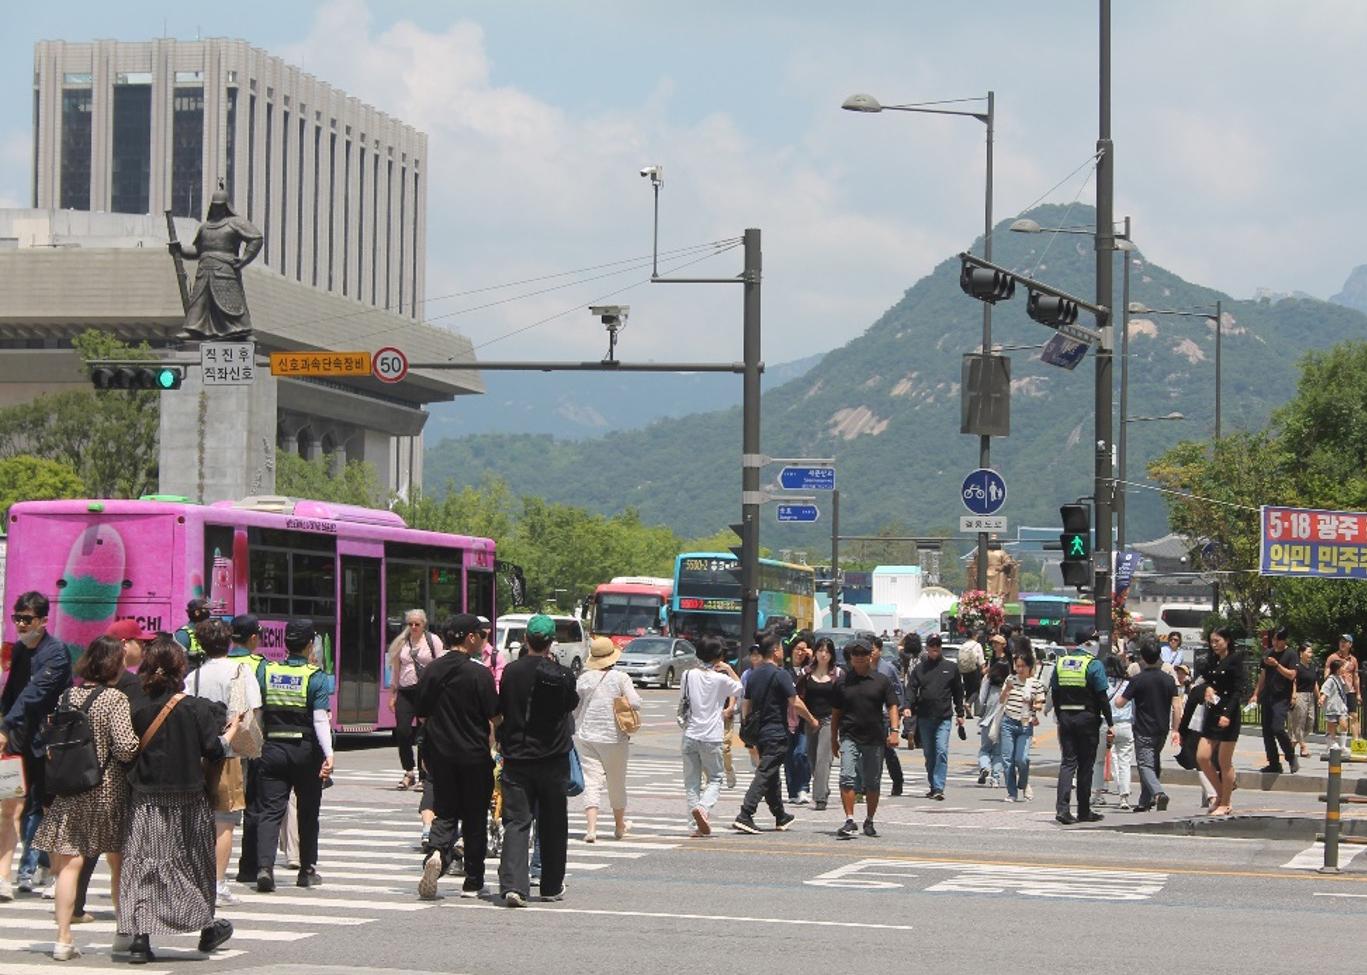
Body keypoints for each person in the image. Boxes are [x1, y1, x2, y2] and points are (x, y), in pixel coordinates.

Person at [120, 635, 236, 963]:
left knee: (143, 865)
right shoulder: (195, 708)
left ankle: (141, 938)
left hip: (144, 798)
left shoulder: (135, 705)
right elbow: (212, 750)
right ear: (179, 668)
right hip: (188, 799)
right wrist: (229, 735)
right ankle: (205, 927)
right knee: (193, 863)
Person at [34, 635, 140, 960]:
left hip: (70, 787)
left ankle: (63, 938)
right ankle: (123, 933)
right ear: (112, 664)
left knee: (69, 864)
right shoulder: (115, 699)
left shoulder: (68, 696)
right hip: (106, 789)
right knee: (119, 860)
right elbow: (125, 747)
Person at [414, 613, 500, 900]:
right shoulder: (479, 673)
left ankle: (436, 852)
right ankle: (473, 881)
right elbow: (495, 714)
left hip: (440, 754)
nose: (483, 641)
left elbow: (422, 713)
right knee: (475, 817)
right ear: (470, 637)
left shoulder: (432, 671)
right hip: (474, 755)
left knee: (445, 810)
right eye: (481, 635)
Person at [496, 614, 580, 907]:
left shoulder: (511, 671)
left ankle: (514, 886)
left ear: (527, 640)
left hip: (517, 758)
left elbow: (503, 705)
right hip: (553, 758)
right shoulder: (563, 675)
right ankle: (551, 884)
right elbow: (571, 706)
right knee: (554, 822)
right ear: (550, 642)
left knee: (517, 822)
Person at [253, 619, 333, 892]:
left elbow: (257, 710)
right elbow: (321, 719)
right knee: (308, 812)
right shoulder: (316, 677)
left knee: (270, 811)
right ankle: (307, 870)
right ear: (311, 644)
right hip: (305, 752)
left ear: (285, 643)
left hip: (272, 747)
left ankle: (264, 867)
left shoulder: (267, 670)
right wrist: (329, 755)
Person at [0, 591, 72, 895]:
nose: (21, 625)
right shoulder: (19, 650)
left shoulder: (56, 653)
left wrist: (5, 725)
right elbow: (13, 693)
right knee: (8, 805)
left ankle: (53, 870)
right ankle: (4, 877)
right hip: (17, 739)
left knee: (48, 806)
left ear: (43, 621)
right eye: (17, 618)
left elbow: (34, 693)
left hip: (47, 740)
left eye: (27, 620)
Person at [187, 618, 262, 908]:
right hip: (229, 752)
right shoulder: (240, 670)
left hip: (198, 754)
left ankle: (199, 878)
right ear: (228, 641)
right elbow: (251, 711)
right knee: (225, 823)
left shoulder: (193, 676)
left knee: (200, 821)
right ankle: (217, 884)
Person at [732, 633, 818, 835]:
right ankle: (746, 813)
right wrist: (812, 720)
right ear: (776, 651)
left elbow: (747, 703)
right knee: (765, 772)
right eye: (781, 648)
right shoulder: (781, 674)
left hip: (760, 732)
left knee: (771, 774)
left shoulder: (753, 674)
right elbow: (795, 702)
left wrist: (746, 727)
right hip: (776, 731)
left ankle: (780, 815)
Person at [574, 636, 643, 842]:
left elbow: (575, 710)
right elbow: (634, 703)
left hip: (587, 736)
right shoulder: (621, 678)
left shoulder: (584, 679)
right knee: (616, 781)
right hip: (614, 737)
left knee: (591, 781)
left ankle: (591, 829)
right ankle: (619, 826)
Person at [831, 640, 900, 838]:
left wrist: (894, 731)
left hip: (875, 737)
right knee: (846, 776)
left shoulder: (881, 680)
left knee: (872, 782)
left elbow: (893, 706)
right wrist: (833, 739)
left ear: (871, 656)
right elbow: (836, 712)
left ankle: (869, 820)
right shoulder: (842, 682)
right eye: (855, 653)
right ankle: (850, 819)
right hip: (849, 735)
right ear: (850, 657)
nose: (859, 657)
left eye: (863, 653)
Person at [679, 637, 742, 835]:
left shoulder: (687, 675)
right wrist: (729, 669)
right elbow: (740, 688)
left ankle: (694, 825)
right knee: (715, 778)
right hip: (712, 735)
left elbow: (684, 699)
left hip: (690, 733)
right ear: (719, 657)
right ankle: (703, 808)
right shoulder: (721, 679)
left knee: (692, 782)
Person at [1113, 640, 1181, 813]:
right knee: (1152, 760)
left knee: (1145, 765)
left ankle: (1158, 794)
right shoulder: (1168, 679)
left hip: (1143, 728)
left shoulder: (1138, 680)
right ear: (1159, 656)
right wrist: (1176, 729)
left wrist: (1117, 697)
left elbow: (1120, 703)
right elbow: (1177, 707)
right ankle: (1145, 801)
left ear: (1142, 657)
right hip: (1162, 728)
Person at [1050, 642, 1114, 825]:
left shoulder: (1061, 662)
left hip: (1066, 718)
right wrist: (1110, 722)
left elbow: (1054, 692)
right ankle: (1084, 811)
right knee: (1086, 766)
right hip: (1087, 719)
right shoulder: (1093, 664)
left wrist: (1060, 714)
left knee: (1068, 762)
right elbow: (1102, 697)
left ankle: (1062, 809)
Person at [227, 614, 268, 887]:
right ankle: (248, 867)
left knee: (219, 807)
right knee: (254, 803)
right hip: (251, 743)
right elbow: (263, 704)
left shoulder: (217, 663)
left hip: (220, 742)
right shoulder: (259, 665)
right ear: (253, 637)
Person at [388, 609, 445, 791]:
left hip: (426, 692)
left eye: (417, 624)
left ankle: (424, 774)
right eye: (410, 624)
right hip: (405, 691)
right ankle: (408, 771)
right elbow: (396, 669)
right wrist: (393, 693)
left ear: (424, 624)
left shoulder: (433, 641)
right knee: (403, 732)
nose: (413, 627)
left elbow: (441, 664)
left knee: (423, 735)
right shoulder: (402, 643)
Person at [906, 634, 965, 801]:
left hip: (944, 717)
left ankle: (939, 787)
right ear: (927, 647)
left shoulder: (951, 667)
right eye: (932, 645)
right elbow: (911, 688)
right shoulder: (920, 668)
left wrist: (960, 713)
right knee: (929, 754)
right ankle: (933, 785)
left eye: (938, 644)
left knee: (941, 752)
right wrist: (908, 706)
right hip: (924, 717)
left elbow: (958, 692)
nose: (935, 648)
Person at [1196, 627, 1246, 816]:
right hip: (1212, 711)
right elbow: (1205, 680)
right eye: (1212, 641)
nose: (1214, 645)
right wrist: (1206, 688)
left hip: (1228, 713)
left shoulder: (1235, 660)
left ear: (1227, 640)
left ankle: (1226, 802)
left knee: (1224, 760)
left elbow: (1238, 690)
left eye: (1217, 641)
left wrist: (1227, 714)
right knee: (1202, 756)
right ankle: (1221, 793)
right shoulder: (1211, 660)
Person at [799, 638, 842, 811]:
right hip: (810, 720)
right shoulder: (806, 673)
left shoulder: (838, 674)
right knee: (811, 759)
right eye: (821, 650)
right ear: (815, 652)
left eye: (827, 651)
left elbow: (843, 699)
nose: (824, 654)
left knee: (823, 759)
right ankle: (823, 788)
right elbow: (797, 697)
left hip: (829, 721)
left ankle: (820, 798)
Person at [1249, 627, 1300, 773]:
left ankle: (1290, 756)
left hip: (1282, 697)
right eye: (1274, 639)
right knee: (1267, 731)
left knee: (1278, 728)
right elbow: (1263, 676)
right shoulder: (1268, 653)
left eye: (1279, 639)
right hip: (1267, 696)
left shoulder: (1291, 655)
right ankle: (1274, 763)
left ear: (1284, 640)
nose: (1276, 643)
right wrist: (1255, 694)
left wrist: (1277, 665)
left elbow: (1292, 675)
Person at [999, 652, 1045, 802]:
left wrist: (1032, 703)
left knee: (1022, 758)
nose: (1019, 669)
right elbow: (1001, 700)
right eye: (1017, 666)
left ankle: (1024, 782)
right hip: (1008, 721)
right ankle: (1012, 792)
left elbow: (1040, 704)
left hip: (1025, 724)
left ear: (1029, 667)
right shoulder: (1010, 679)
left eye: (1022, 666)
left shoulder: (1035, 683)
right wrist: (1007, 690)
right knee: (1007, 759)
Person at [1091, 654, 1135, 810]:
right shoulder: (1127, 683)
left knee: (1098, 760)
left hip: (1104, 724)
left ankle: (1097, 794)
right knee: (1124, 762)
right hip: (1125, 725)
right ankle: (1124, 797)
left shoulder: (1100, 683)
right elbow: (1133, 707)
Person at [869, 636, 906, 796]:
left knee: (887, 751)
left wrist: (898, 710)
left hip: (885, 715)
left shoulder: (888, 669)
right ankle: (868, 785)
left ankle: (897, 780)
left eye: (873, 650)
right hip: (867, 715)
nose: (870, 653)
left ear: (880, 650)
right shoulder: (861, 667)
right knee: (870, 751)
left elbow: (898, 689)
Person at [783, 632, 813, 805]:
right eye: (797, 649)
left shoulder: (809, 671)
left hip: (803, 720)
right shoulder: (784, 671)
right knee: (788, 757)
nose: (800, 653)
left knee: (800, 753)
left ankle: (803, 788)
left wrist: (812, 659)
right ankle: (792, 791)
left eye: (804, 650)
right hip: (786, 720)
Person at [977, 660, 1009, 787]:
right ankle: (995, 779)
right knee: (998, 752)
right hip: (1003, 720)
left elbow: (981, 698)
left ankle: (985, 767)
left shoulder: (988, 680)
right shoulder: (1009, 682)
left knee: (985, 749)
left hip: (988, 720)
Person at [1326, 635, 1359, 741]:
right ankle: (1332, 743)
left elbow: (1356, 677)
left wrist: (1358, 693)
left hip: (1350, 690)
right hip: (1337, 692)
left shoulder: (1353, 660)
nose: (1342, 643)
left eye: (1345, 642)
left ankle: (1356, 743)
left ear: (1350, 644)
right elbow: (1326, 674)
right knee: (1335, 719)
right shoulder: (1333, 657)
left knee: (1354, 716)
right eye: (1341, 641)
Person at [1290, 643, 1319, 759]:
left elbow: (1315, 683)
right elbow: (1294, 682)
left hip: (1310, 696)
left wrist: (1319, 697)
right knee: (1299, 722)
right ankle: (1303, 747)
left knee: (1310, 722)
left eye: (1311, 652)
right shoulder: (1297, 667)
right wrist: (1293, 695)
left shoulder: (1312, 667)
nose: (1310, 654)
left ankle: (1292, 743)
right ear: (1301, 653)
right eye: (1308, 652)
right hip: (1300, 695)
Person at [173, 597, 214, 671]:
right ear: (197, 613)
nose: (209, 613)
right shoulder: (183, 634)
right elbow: (178, 662)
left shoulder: (209, 632)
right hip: (190, 679)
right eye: (206, 610)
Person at [1322, 658, 1351, 755]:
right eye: (1342, 667)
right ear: (1338, 669)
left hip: (1341, 707)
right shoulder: (1330, 679)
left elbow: (1347, 690)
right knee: (1332, 727)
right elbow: (1325, 690)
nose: (1344, 668)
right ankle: (1331, 743)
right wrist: (1322, 698)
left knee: (1344, 725)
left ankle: (1342, 745)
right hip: (1332, 707)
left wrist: (1345, 679)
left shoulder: (1341, 679)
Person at [958, 630, 986, 719]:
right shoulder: (977, 645)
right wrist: (983, 669)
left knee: (968, 689)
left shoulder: (963, 645)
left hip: (965, 670)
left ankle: (968, 712)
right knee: (977, 689)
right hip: (974, 669)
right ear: (974, 635)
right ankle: (968, 704)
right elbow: (981, 659)